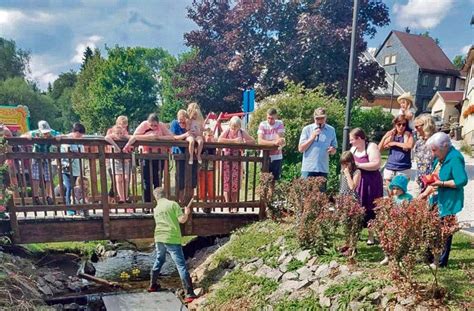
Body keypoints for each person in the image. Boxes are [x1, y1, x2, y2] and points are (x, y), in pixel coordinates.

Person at [419, 132, 468, 268]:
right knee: (430, 227)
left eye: (435, 150)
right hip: (436, 197)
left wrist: (441, 184)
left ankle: (440, 262)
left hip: (448, 200)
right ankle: (428, 258)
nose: (433, 153)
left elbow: (461, 181)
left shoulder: (455, 158)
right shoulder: (440, 157)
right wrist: (424, 193)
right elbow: (436, 176)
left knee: (444, 231)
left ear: (445, 146)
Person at [148, 187, 197, 303]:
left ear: (156, 197)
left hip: (159, 238)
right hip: (171, 238)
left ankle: (152, 285)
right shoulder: (172, 204)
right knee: (180, 265)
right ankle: (189, 293)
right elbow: (182, 220)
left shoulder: (156, 209)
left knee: (159, 260)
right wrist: (186, 213)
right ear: (166, 194)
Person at [349, 128, 383, 245]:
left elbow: (376, 164)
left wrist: (358, 165)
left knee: (370, 207)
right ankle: (356, 232)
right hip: (358, 181)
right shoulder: (353, 149)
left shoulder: (371, 146)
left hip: (371, 182)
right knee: (357, 206)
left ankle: (371, 236)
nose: (351, 142)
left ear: (359, 138)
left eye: (352, 139)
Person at [133, 113, 174, 203]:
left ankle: (159, 202)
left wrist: (159, 138)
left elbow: (171, 136)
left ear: (158, 123)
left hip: (159, 156)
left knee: (157, 180)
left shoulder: (161, 126)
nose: (153, 127)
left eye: (155, 125)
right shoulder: (143, 125)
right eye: (151, 125)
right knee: (146, 181)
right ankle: (147, 203)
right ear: (148, 122)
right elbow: (134, 136)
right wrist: (148, 137)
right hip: (145, 156)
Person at [218, 116, 255, 210]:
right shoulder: (227, 131)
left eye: (236, 127)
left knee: (235, 183)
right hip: (227, 159)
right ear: (230, 125)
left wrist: (244, 142)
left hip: (237, 160)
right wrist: (233, 141)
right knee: (226, 183)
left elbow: (253, 141)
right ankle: (227, 205)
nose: (234, 129)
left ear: (239, 126)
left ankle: (234, 205)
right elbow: (219, 139)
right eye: (233, 127)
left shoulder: (242, 132)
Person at [22, 120, 61, 205]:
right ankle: (35, 196)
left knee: (48, 177)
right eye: (44, 133)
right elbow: (23, 135)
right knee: (35, 177)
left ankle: (48, 196)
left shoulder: (53, 132)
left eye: (47, 132)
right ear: (39, 130)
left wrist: (58, 136)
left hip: (47, 156)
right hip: (36, 156)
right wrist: (27, 136)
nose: (46, 134)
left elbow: (60, 134)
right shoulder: (35, 133)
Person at [298, 108, 337, 190]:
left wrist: (332, 150)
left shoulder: (331, 130)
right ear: (314, 117)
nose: (320, 121)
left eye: (322, 118)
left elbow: (334, 149)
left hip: (322, 168)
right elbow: (301, 149)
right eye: (317, 118)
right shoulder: (307, 129)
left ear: (326, 117)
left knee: (321, 197)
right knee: (306, 196)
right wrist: (312, 137)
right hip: (308, 168)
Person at [379, 174, 413, 265]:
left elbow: (410, 209)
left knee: (402, 241)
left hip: (403, 222)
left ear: (403, 188)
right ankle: (387, 256)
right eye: (393, 188)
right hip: (393, 221)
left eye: (398, 189)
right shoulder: (393, 198)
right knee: (389, 239)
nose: (395, 191)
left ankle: (401, 258)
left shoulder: (408, 197)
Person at [379, 115, 414, 193]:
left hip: (403, 168)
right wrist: (384, 137)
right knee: (390, 193)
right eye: (399, 124)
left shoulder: (408, 134)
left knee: (401, 194)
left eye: (404, 124)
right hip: (390, 167)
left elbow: (409, 145)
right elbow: (380, 149)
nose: (401, 126)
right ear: (395, 124)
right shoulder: (392, 135)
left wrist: (394, 143)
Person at [169, 110, 198, 203]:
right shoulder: (174, 123)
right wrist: (185, 134)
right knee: (180, 177)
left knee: (192, 177)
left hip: (191, 153)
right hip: (179, 153)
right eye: (180, 121)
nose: (181, 123)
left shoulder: (189, 123)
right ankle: (180, 200)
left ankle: (190, 202)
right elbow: (173, 137)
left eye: (183, 121)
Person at [105, 125, 135, 205]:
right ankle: (121, 197)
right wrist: (115, 145)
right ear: (114, 133)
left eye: (121, 133)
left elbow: (134, 138)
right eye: (117, 133)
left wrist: (126, 146)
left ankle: (125, 196)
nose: (119, 135)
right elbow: (106, 138)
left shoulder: (125, 137)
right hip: (116, 161)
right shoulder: (112, 136)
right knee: (118, 179)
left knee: (126, 178)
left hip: (125, 160)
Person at [60, 123, 86, 215]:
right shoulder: (66, 140)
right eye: (80, 134)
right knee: (69, 187)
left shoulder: (80, 142)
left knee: (76, 188)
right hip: (66, 169)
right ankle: (69, 208)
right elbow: (65, 152)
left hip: (76, 170)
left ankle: (77, 207)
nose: (81, 136)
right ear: (75, 132)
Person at [257, 108, 285, 181]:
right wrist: (273, 142)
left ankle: (271, 193)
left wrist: (268, 142)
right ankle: (263, 193)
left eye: (272, 118)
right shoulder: (263, 124)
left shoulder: (280, 123)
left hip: (277, 156)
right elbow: (260, 141)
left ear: (276, 117)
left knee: (274, 180)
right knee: (264, 180)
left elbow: (279, 140)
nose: (270, 120)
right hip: (264, 156)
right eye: (268, 118)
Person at [413, 114, 436, 196]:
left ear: (426, 125)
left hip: (433, 182)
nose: (415, 130)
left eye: (417, 127)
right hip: (419, 180)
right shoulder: (419, 142)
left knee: (431, 207)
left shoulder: (437, 140)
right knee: (416, 206)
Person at [198, 128, 216, 207]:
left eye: (211, 136)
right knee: (202, 186)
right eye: (208, 135)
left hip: (210, 169)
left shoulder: (213, 146)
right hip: (202, 169)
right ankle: (203, 202)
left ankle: (211, 202)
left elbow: (215, 155)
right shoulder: (201, 145)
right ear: (204, 136)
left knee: (211, 185)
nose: (210, 137)